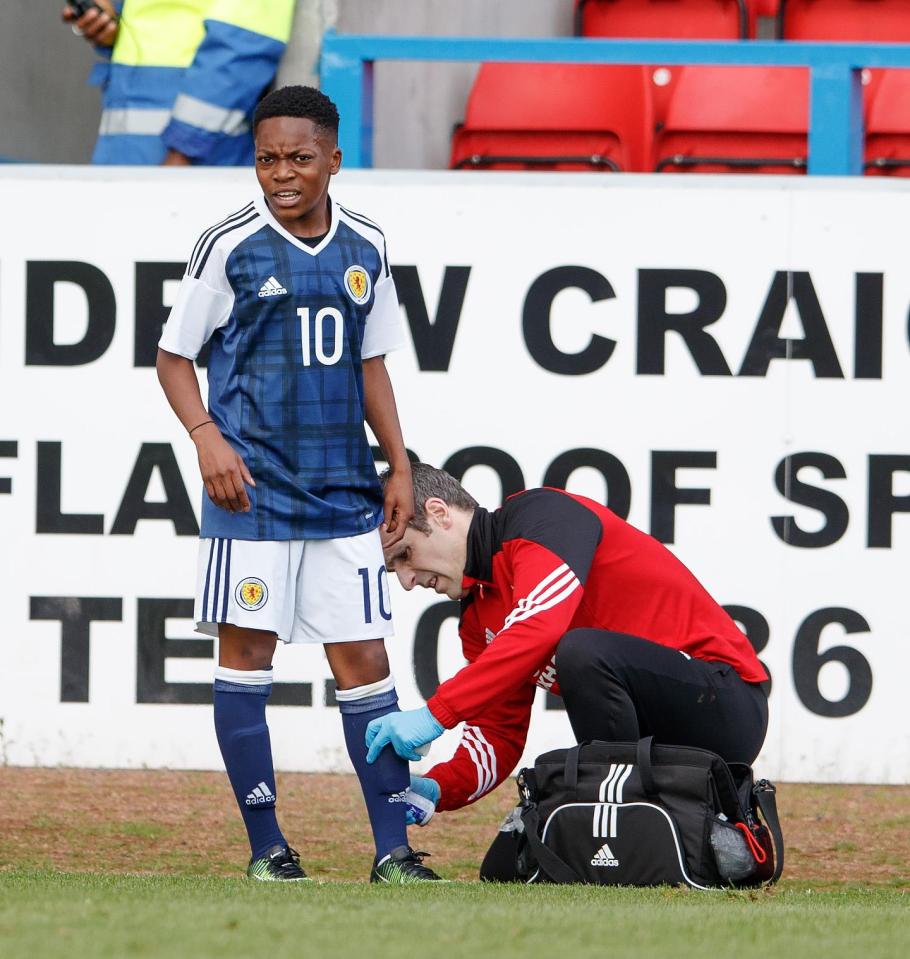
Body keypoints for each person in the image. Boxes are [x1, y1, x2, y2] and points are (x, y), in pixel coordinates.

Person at [156, 85, 443, 883]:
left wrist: (400, 464)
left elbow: (372, 362)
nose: (281, 173)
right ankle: (266, 849)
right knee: (247, 659)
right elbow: (174, 358)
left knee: (366, 666)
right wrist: (207, 438)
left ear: (333, 160)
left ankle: (394, 851)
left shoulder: (367, 245)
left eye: (299, 158)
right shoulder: (231, 244)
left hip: (344, 492)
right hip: (252, 497)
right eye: (267, 159)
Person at [366, 463, 769, 825]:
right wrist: (438, 787)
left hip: (726, 705)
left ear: (439, 513)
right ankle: (621, 825)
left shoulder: (542, 516)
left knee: (581, 651)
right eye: (394, 570)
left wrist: (435, 715)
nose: (406, 581)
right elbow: (497, 734)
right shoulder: (477, 617)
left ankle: (613, 822)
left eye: (405, 554)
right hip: (656, 743)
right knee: (504, 867)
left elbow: (539, 627)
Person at [62, 0, 294, 165]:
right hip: (129, 156)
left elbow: (244, 43)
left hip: (195, 160)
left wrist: (182, 155)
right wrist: (112, 23)